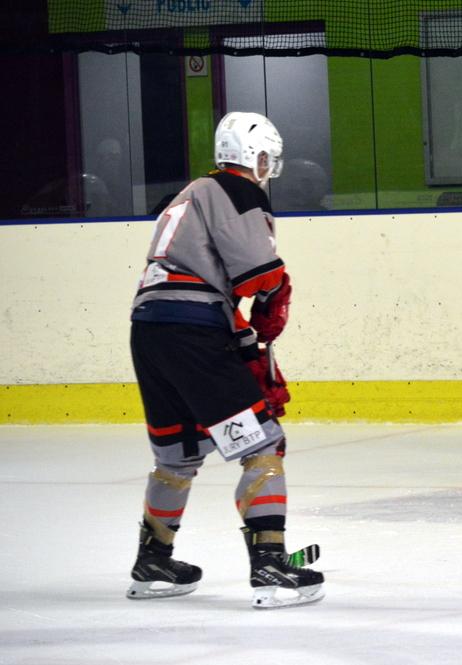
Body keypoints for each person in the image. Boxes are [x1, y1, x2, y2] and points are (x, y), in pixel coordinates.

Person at [126, 111, 324, 609]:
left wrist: (243, 344)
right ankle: (272, 566)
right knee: (264, 444)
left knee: (177, 455)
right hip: (193, 332)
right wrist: (273, 300)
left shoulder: (189, 193)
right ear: (254, 156)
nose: (267, 172)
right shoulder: (238, 191)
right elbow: (258, 273)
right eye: (266, 160)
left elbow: (193, 284)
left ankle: (154, 562)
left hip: (151, 331)